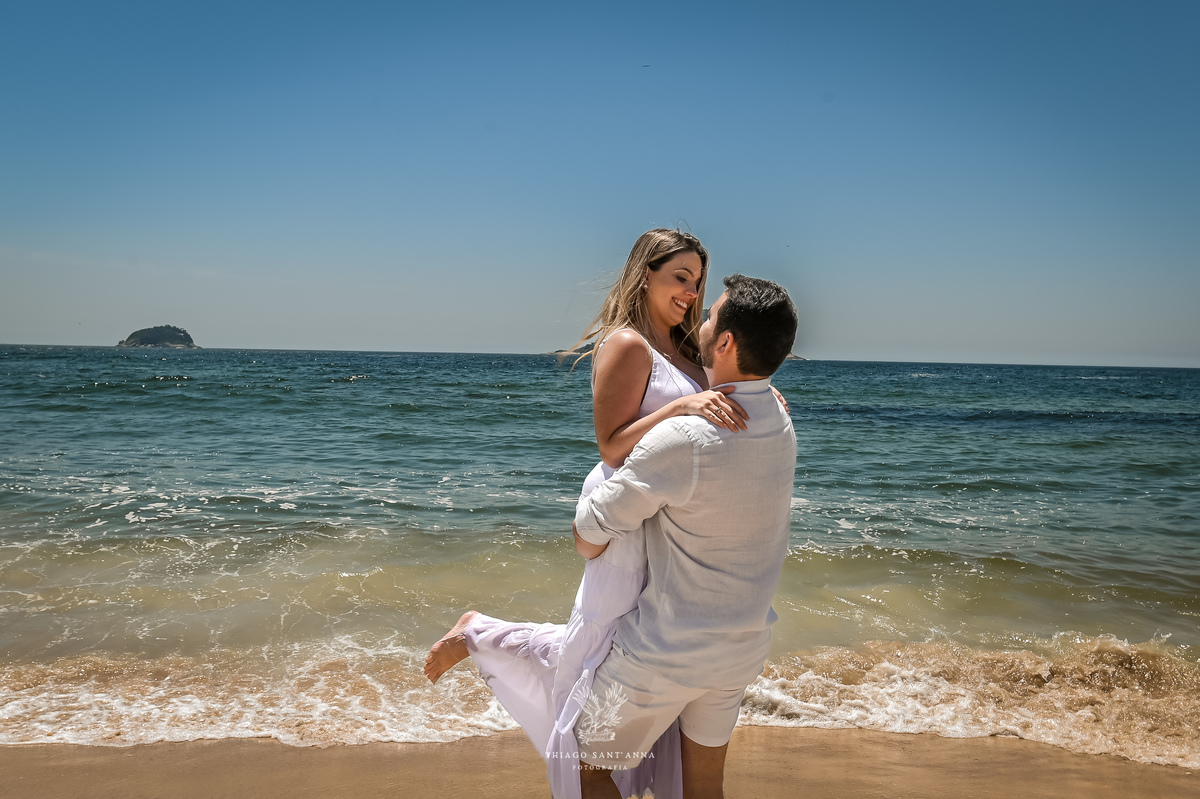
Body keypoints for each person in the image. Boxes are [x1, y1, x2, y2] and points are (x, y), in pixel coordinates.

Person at [425, 229, 759, 798]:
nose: (690, 293)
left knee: (621, 657)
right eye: (680, 278)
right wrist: (682, 405)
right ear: (645, 274)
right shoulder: (628, 345)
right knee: (598, 653)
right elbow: (611, 443)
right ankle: (482, 633)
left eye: (697, 282)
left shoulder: (689, 352)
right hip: (626, 523)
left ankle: (483, 632)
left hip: (672, 529)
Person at [573, 274, 798, 799]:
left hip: (667, 651)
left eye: (712, 313)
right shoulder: (782, 422)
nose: (701, 313)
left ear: (724, 343)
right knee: (704, 786)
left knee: (591, 767)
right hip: (741, 648)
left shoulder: (686, 437)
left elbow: (590, 532)